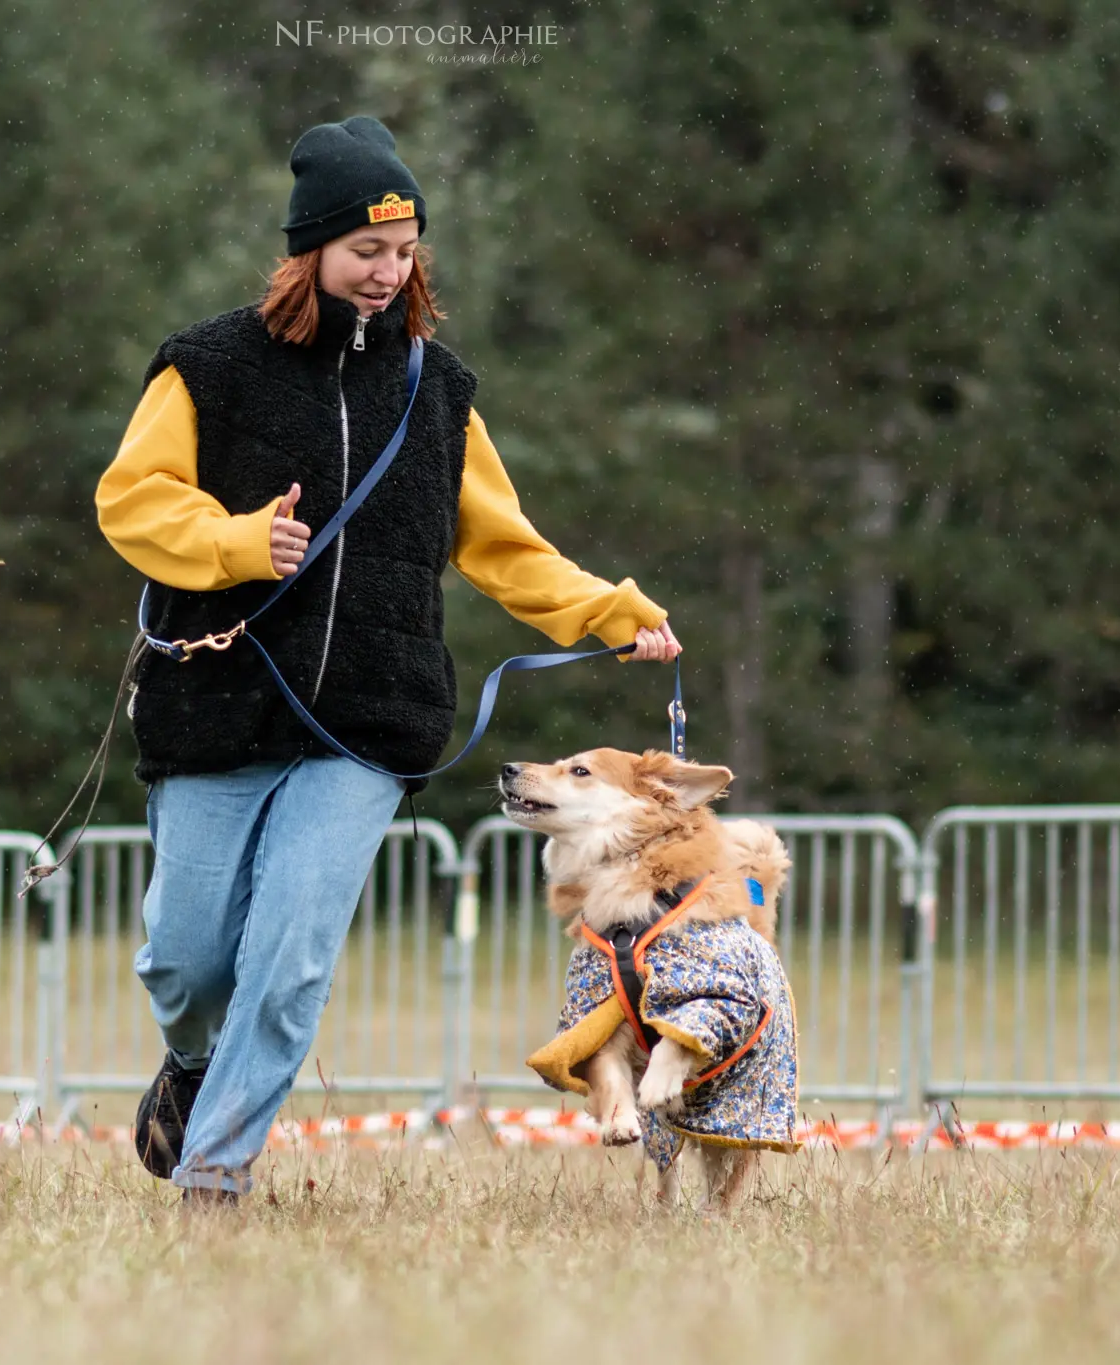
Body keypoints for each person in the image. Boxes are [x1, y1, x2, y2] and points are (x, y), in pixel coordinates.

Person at [93, 115, 682, 1204]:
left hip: (365, 725)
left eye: (404, 250)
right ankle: (190, 1066)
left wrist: (609, 613)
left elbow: (502, 545)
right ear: (308, 248)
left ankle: (214, 1178)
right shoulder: (206, 367)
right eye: (367, 249)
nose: (387, 271)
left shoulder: (436, 388)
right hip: (215, 704)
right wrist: (230, 542)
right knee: (184, 962)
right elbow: (130, 501)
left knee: (288, 959)